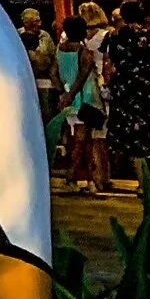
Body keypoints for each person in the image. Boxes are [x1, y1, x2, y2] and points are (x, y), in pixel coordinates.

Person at [102, 0, 150, 192]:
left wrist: (112, 85)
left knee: (133, 137)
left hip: (126, 90)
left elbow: (108, 66)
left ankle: (143, 183)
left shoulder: (114, 37)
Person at [53, 15, 105, 192]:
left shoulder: (59, 49)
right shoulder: (84, 52)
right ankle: (71, 175)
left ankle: (90, 178)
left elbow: (53, 72)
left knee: (77, 139)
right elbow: (83, 76)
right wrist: (71, 94)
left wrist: (63, 92)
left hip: (68, 100)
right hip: (85, 99)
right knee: (83, 139)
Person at [16, 8, 58, 122]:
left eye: (39, 20)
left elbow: (53, 56)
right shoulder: (17, 35)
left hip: (44, 80)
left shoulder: (45, 36)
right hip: (24, 81)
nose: (39, 24)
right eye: (34, 22)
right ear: (26, 23)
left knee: (46, 113)